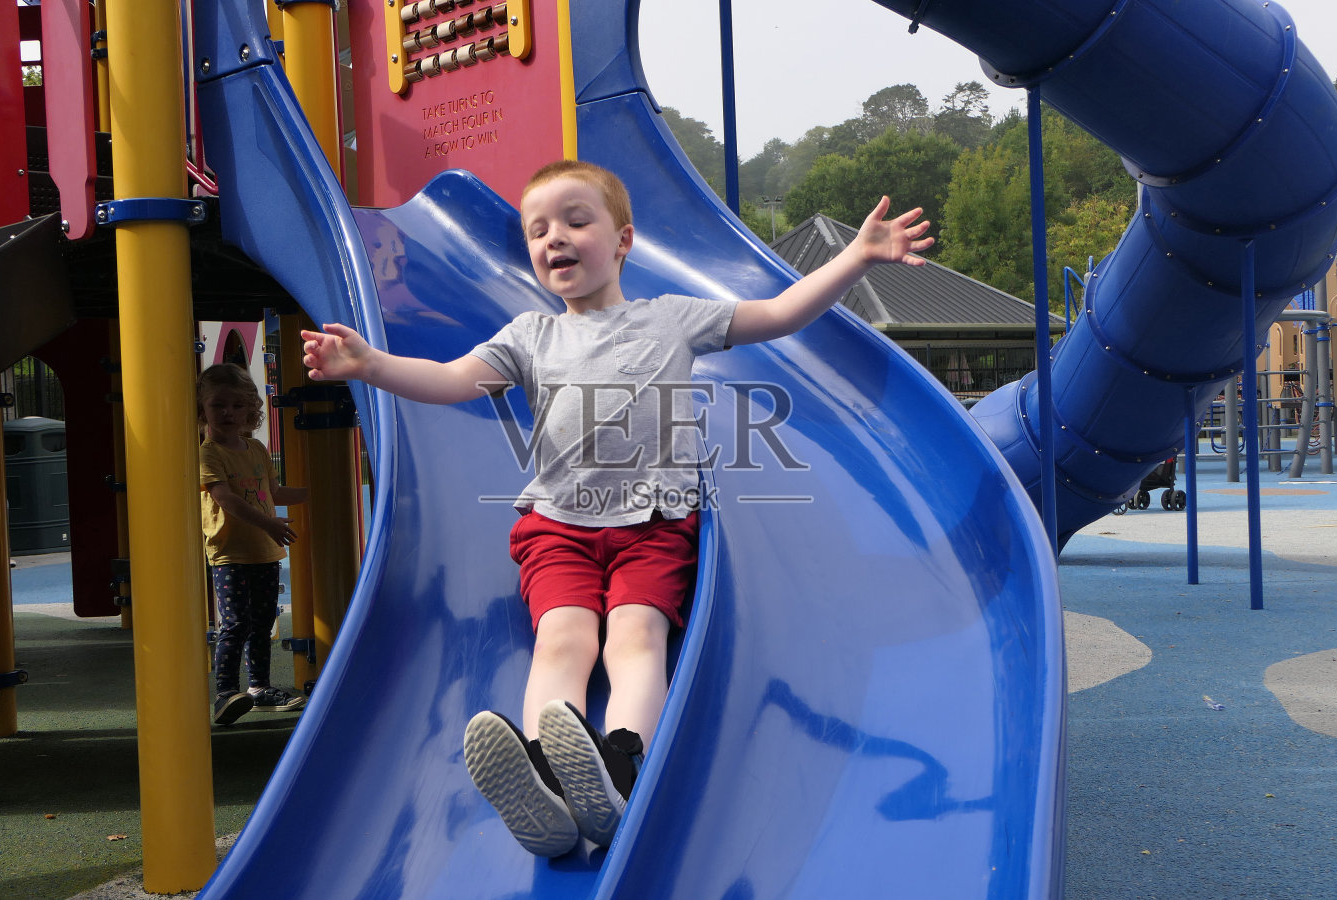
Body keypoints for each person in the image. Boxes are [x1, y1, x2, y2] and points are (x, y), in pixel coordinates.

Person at [300, 160, 933, 854]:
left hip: (653, 526)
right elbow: (450, 380)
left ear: (623, 239)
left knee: (636, 638)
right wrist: (370, 366)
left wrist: (857, 256)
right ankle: (543, 780)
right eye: (538, 230)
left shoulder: (672, 320)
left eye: (576, 221)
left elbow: (780, 314)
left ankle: (618, 767)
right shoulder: (529, 337)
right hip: (558, 528)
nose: (555, 239)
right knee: (563, 640)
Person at [197, 363, 310, 725]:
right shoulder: (209, 452)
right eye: (218, 406)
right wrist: (269, 523)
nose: (228, 413)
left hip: (264, 550)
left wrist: (317, 490)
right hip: (230, 551)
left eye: (237, 405)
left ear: (250, 409)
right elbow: (225, 498)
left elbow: (274, 492)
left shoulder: (257, 449)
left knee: (263, 622)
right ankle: (226, 693)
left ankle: (259, 688)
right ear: (203, 411)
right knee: (235, 623)